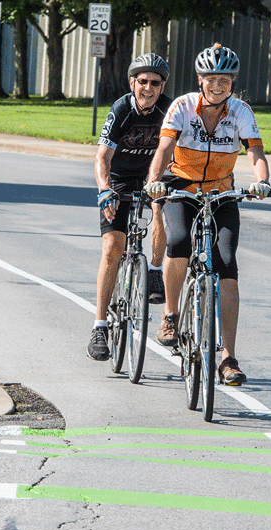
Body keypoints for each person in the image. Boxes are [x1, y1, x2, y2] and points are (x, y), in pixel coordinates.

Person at [144, 43, 271, 386]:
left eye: (226, 79)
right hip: (181, 188)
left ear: (233, 82)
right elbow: (164, 149)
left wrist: (262, 181)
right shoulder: (182, 107)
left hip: (221, 192)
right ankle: (170, 315)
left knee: (227, 263)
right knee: (179, 241)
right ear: (200, 80)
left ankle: (228, 357)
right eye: (212, 78)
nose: (219, 85)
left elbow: (255, 152)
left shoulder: (241, 110)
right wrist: (155, 181)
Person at [87, 53, 172, 361]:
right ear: (132, 82)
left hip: (153, 176)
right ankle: (99, 326)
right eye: (143, 81)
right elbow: (102, 158)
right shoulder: (121, 109)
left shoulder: (169, 110)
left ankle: (153, 270)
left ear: (163, 86)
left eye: (156, 83)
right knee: (112, 247)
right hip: (120, 178)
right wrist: (105, 190)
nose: (148, 88)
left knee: (163, 205)